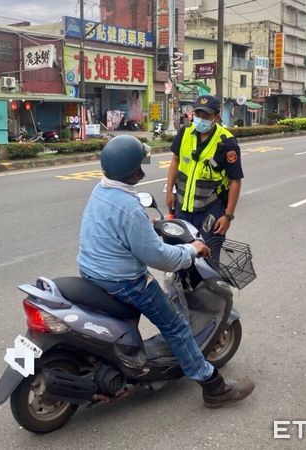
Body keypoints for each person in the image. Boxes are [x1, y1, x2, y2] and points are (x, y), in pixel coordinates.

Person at [77, 135, 254, 408]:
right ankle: (213, 386)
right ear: (133, 172)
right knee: (176, 326)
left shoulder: (101, 190)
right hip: (124, 282)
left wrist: (145, 227)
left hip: (92, 272)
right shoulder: (129, 208)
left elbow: (119, 229)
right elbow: (160, 258)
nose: (142, 168)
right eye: (140, 165)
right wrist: (192, 251)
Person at [166, 95, 243, 257]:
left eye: (206, 116)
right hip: (182, 209)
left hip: (210, 212)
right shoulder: (185, 132)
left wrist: (228, 216)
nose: (201, 119)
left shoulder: (226, 143)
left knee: (208, 259)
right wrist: (169, 192)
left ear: (217, 116)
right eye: (198, 114)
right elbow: (175, 161)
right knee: (180, 258)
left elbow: (235, 180)